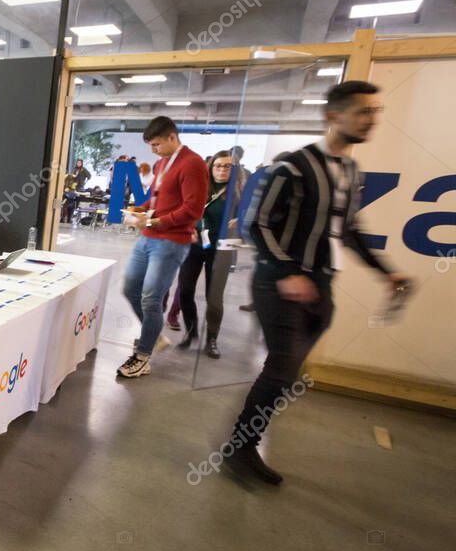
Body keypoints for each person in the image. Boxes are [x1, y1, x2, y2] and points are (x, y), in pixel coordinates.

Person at [224, 82, 412, 484]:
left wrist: (385, 271)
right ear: (334, 116)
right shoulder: (294, 166)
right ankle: (239, 448)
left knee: (286, 374)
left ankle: (245, 440)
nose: (371, 119)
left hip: (320, 288)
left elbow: (350, 230)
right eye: (363, 111)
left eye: (375, 111)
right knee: (279, 370)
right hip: (278, 285)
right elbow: (256, 224)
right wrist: (288, 271)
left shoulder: (350, 171)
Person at [118, 116, 208, 378]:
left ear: (172, 137)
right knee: (130, 287)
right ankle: (153, 333)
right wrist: (138, 210)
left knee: (150, 297)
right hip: (148, 236)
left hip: (170, 241)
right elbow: (156, 200)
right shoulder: (161, 164)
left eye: (156, 144)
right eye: (150, 145)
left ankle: (143, 355)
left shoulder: (193, 163)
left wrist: (156, 221)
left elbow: (193, 210)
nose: (153, 150)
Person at [175, 151, 240, 358]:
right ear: (211, 168)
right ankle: (191, 331)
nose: (222, 170)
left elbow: (255, 219)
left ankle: (212, 339)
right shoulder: (200, 188)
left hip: (221, 248)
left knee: (214, 297)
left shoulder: (240, 193)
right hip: (195, 245)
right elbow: (185, 211)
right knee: (185, 290)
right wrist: (189, 228)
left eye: (227, 166)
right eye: (218, 166)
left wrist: (241, 223)